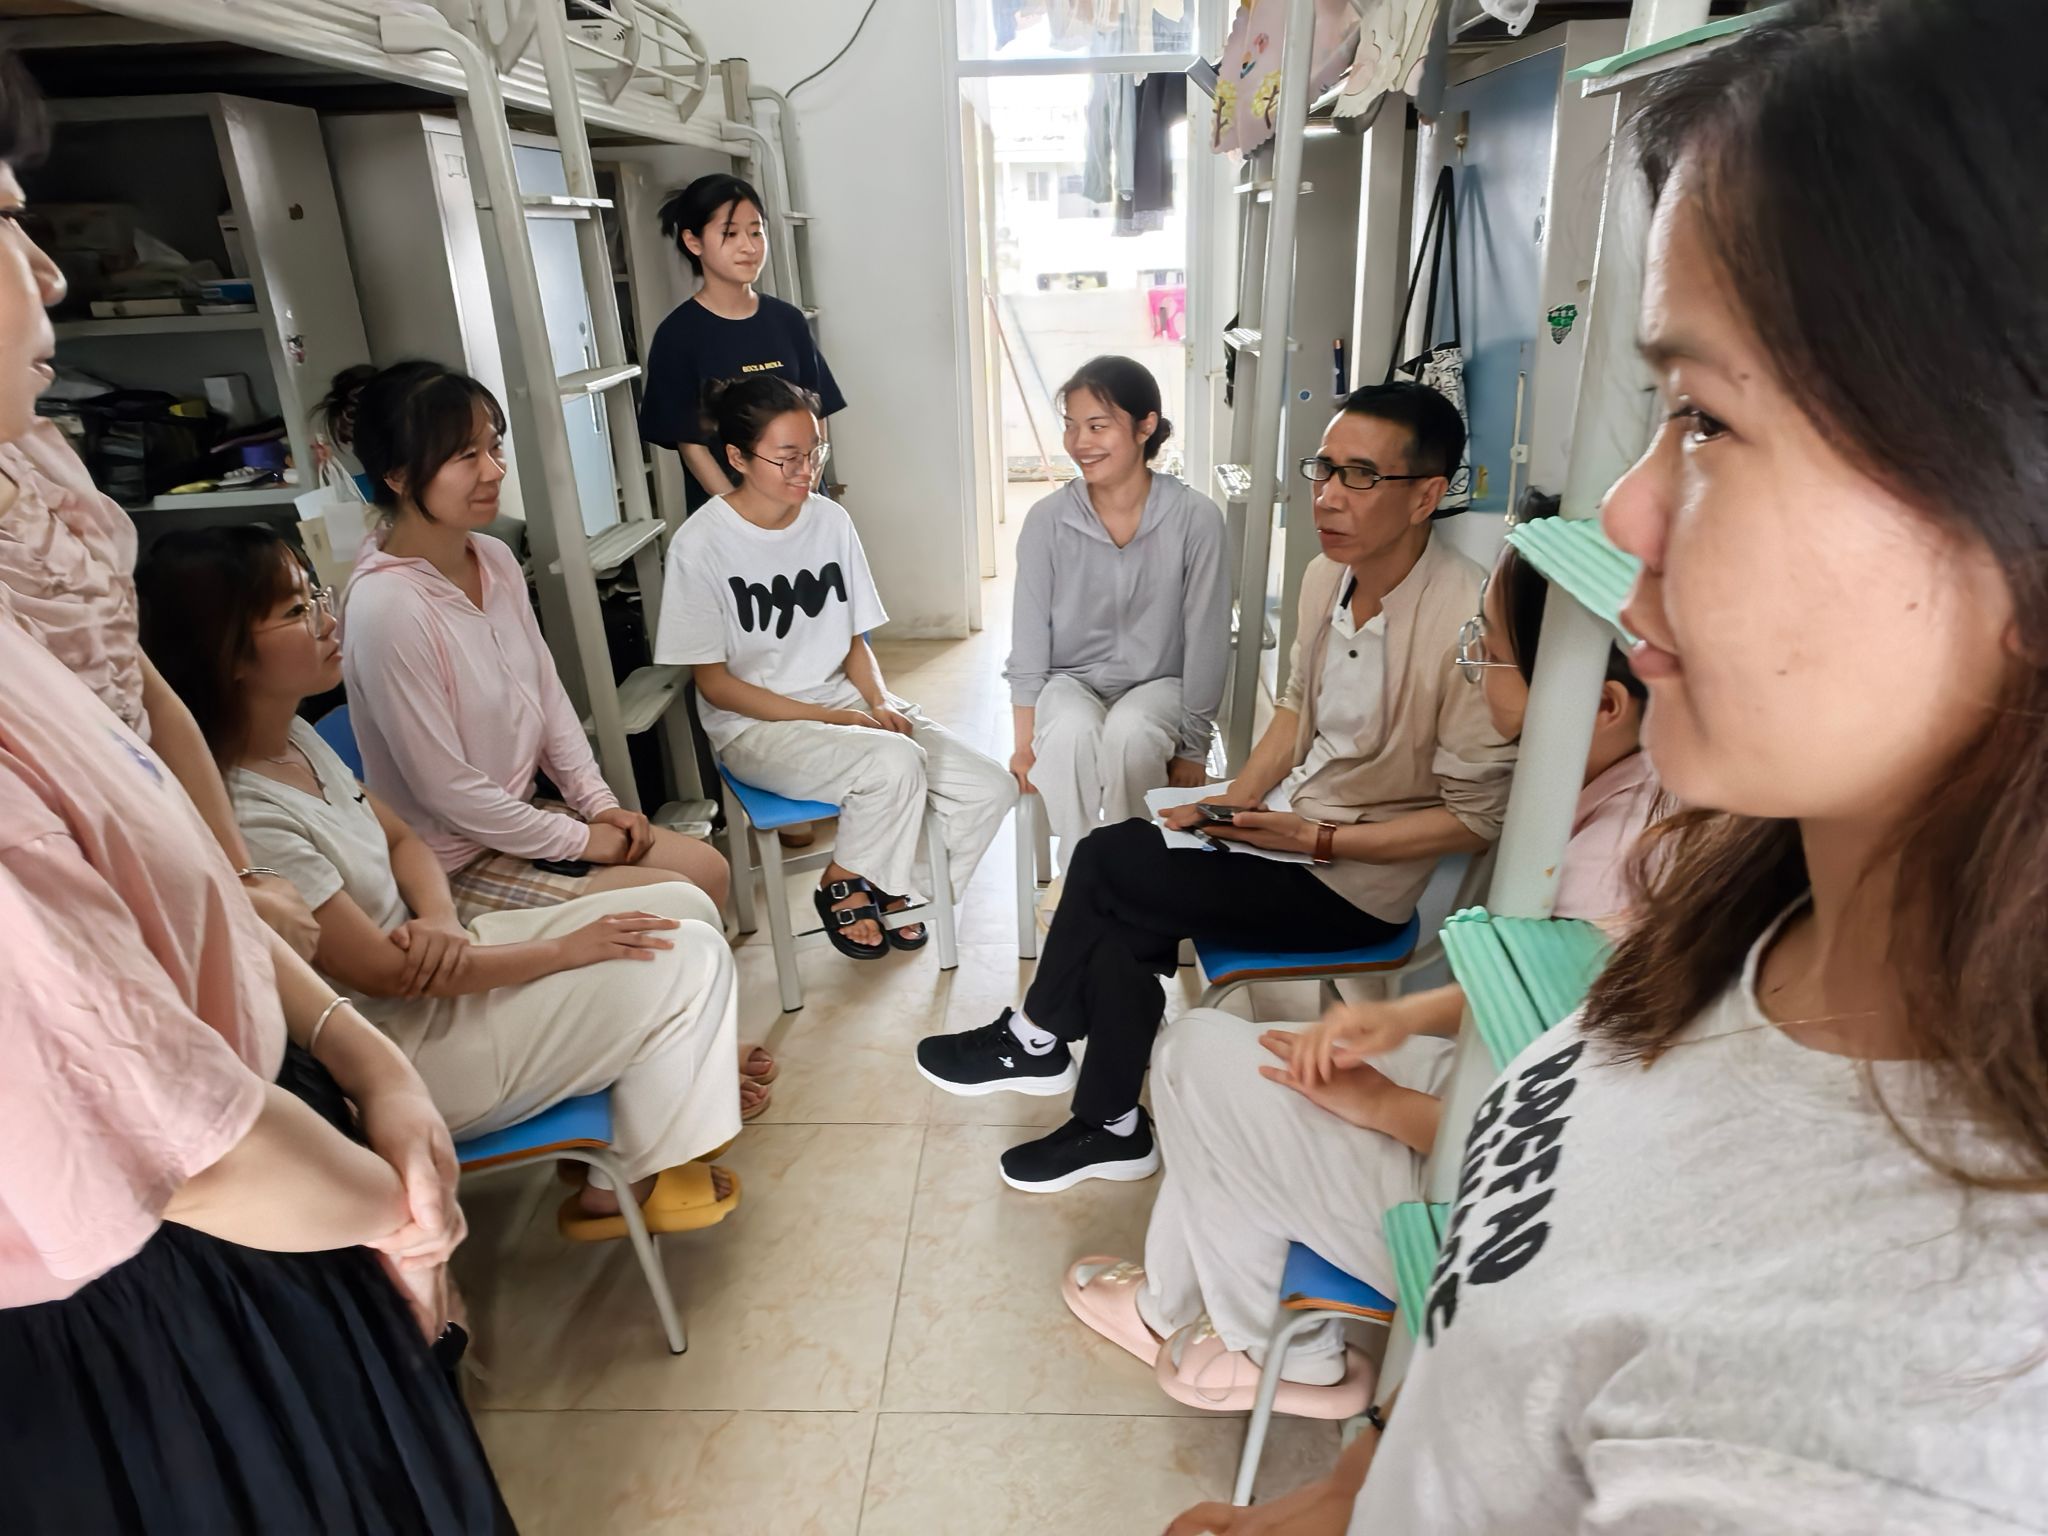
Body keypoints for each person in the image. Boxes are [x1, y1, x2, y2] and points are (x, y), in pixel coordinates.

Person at [1168, 3, 2048, 1531]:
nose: (1625, 515)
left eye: (1705, 420)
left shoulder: (1902, 1431)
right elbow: (1499, 1343)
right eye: (1658, 415)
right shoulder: (1752, 903)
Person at [0, 57, 512, 1529]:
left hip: (282, 1108)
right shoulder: (392, 617)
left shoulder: (45, 546)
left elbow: (166, 803)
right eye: (8, 223)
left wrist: (361, 1061)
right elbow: (170, 1128)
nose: (50, 271)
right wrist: (395, 1205)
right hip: (150, 1284)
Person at [1064, 493, 1659, 1420]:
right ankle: (1169, 1304)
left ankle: (1280, 1352)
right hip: (1481, 1086)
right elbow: (1557, 994)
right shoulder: (1633, 801)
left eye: (1487, 654)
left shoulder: (1608, 863)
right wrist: (1407, 1016)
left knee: (1192, 1053)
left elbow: (1564, 1135)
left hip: (1507, 1197)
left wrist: (1385, 1103)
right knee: (1212, 1047)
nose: (1331, 497)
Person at [919, 381, 1516, 1193]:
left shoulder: (1466, 621)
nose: (1328, 496)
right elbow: (1294, 710)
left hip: (1352, 885)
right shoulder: (1326, 577)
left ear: (1426, 496)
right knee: (1124, 907)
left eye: (1360, 476)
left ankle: (1040, 1038)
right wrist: (1236, 800)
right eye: (1324, 469)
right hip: (1288, 834)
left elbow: (1476, 820)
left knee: (1107, 861)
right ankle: (1109, 1125)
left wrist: (1320, 838)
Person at [138, 526, 745, 1239]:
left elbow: (401, 838)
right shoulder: (247, 811)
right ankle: (624, 1185)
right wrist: (564, 950)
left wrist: (441, 918)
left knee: (678, 902)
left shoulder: (292, 738)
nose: (328, 620)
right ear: (228, 653)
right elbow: (386, 975)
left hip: (444, 962)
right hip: (411, 1047)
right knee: (685, 959)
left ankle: (644, 1124)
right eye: (298, 611)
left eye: (317, 597)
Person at [324, 361, 730, 920]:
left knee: (707, 870)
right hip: (451, 864)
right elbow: (447, 790)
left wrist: (597, 806)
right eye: (465, 456)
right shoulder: (386, 606)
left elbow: (546, 695)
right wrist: (581, 840)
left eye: (493, 447)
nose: (493, 471)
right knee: (678, 907)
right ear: (397, 475)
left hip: (519, 820)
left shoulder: (493, 558)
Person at [653, 374, 1018, 960]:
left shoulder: (829, 521)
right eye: (788, 457)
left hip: (848, 708)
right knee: (894, 763)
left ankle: (894, 886)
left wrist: (877, 701)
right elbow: (715, 685)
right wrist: (835, 718)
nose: (807, 471)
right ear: (737, 457)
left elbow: (853, 642)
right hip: (757, 729)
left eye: (815, 452)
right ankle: (843, 880)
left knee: (989, 787)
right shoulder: (701, 545)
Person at [1006, 355, 1229, 908]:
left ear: (1145, 425)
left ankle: (1134, 876)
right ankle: (1081, 878)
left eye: (1097, 425)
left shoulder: (1196, 518)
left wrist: (1194, 747)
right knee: (1070, 734)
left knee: (1130, 735)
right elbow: (1028, 636)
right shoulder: (1047, 520)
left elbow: (1207, 637)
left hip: (1160, 683)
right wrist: (1023, 744)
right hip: (1071, 681)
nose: (1079, 442)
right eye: (1071, 425)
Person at [637, 172, 845, 514]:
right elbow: (692, 445)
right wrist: (745, 516)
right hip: (730, 516)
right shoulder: (678, 335)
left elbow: (817, 414)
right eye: (730, 234)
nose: (749, 247)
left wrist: (804, 491)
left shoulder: (788, 321)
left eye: (756, 232)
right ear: (694, 242)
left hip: (804, 506)